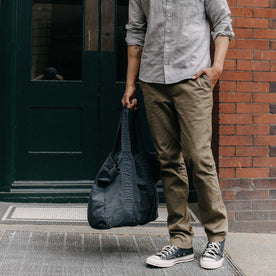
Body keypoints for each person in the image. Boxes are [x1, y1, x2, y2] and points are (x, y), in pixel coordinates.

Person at [121, 0, 234, 270]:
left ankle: (216, 236)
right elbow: (136, 31)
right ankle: (181, 240)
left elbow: (223, 23)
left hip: (193, 78)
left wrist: (216, 67)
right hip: (153, 80)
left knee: (199, 156)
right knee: (169, 161)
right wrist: (130, 84)